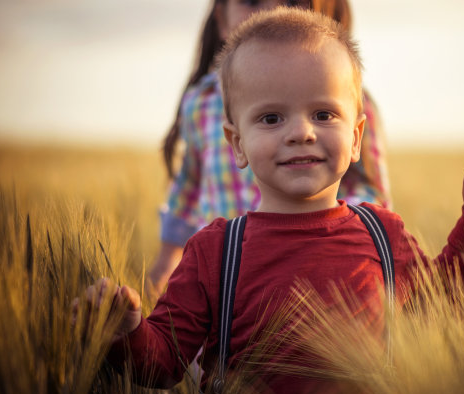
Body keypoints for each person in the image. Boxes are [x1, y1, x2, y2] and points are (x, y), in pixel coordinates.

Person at [73, 7, 464, 394]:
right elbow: (164, 363)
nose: (302, 133)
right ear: (237, 143)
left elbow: (441, 305)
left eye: (324, 114)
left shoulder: (382, 234)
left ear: (355, 138)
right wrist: (125, 336)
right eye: (271, 118)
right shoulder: (215, 251)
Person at [148, 0, 391, 298]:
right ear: (222, 19)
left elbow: (373, 194)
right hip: (223, 283)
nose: (272, 12)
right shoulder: (201, 102)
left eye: (290, 2)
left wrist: (333, 237)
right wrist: (166, 260)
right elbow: (188, 186)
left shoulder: (347, 99)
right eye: (252, 1)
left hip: (316, 284)